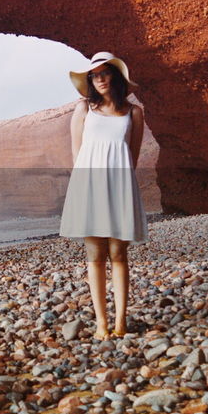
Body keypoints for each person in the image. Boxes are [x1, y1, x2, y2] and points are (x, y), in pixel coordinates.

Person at [58, 51, 147, 340]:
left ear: (116, 76)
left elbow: (131, 155)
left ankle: (121, 322)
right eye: (94, 76)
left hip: (119, 184)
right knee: (95, 255)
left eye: (104, 73)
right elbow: (76, 152)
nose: (99, 79)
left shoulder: (134, 113)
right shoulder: (84, 109)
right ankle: (101, 323)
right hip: (89, 184)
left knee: (119, 254)